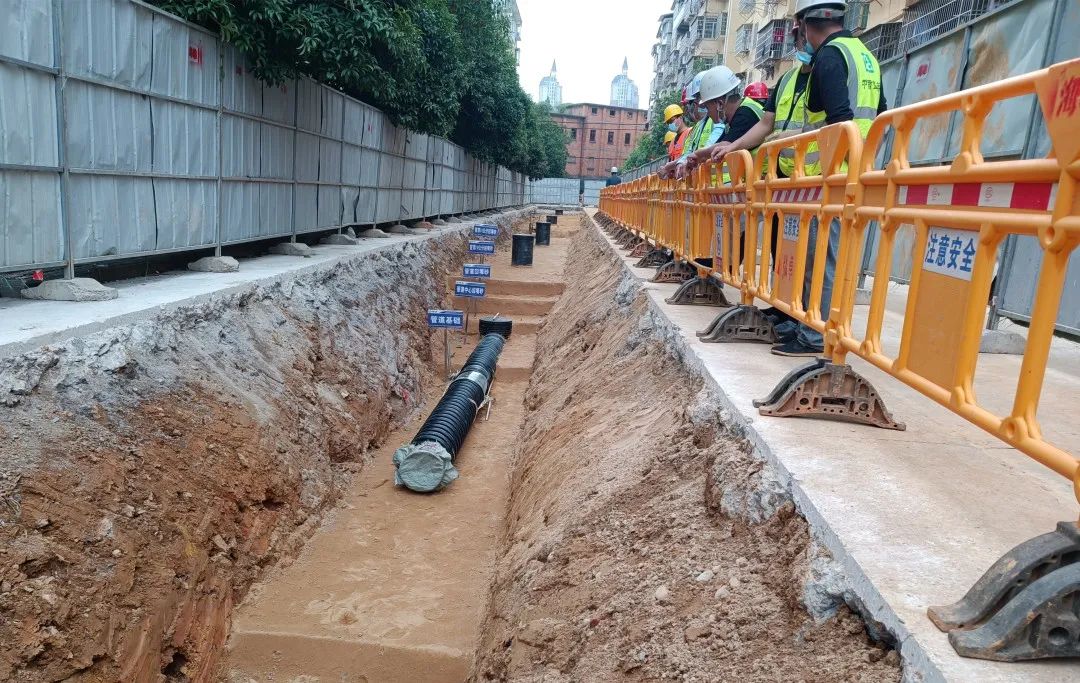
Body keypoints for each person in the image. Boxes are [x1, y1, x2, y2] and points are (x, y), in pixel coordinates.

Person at [774, 0, 885, 356]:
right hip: (855, 168)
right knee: (827, 256)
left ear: (807, 24)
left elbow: (839, 118)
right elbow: (879, 114)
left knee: (823, 257)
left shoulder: (830, 56)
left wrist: (827, 169)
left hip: (835, 173)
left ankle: (814, 333)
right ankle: (810, 324)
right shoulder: (864, 54)